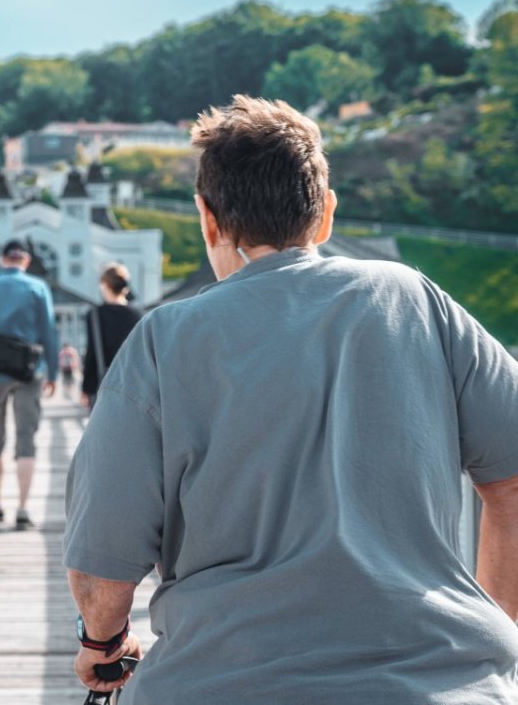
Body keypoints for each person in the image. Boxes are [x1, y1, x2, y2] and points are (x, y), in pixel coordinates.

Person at [64, 95, 518, 702]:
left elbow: (102, 564)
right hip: (438, 685)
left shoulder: (165, 340)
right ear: (325, 215)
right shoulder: (416, 301)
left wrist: (102, 644)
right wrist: (489, 630)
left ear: (208, 219)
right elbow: (513, 480)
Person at [0, 239, 58, 530]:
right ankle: (23, 507)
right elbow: (49, 333)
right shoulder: (38, 288)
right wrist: (53, 371)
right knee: (26, 439)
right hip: (30, 373)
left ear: (3, 259)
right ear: (26, 261)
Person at [80, 263, 142, 410]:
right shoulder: (137, 314)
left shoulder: (95, 315)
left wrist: (86, 388)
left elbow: (92, 353)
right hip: (133, 384)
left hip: (104, 383)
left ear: (104, 285)